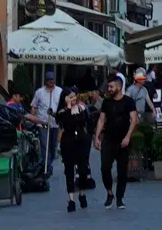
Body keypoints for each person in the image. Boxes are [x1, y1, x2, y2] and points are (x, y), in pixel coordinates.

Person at [95, 74, 136, 208]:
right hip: (108, 139)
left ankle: (120, 198)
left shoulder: (128, 101)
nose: (109, 89)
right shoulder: (106, 102)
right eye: (108, 87)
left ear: (119, 87)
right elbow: (101, 119)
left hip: (123, 140)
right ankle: (109, 192)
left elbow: (133, 120)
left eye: (111, 86)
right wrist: (96, 136)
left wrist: (128, 136)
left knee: (122, 171)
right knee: (105, 168)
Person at [56, 85, 95, 212]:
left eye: (74, 96)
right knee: (69, 171)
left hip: (81, 141)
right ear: (65, 98)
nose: (73, 99)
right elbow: (65, 122)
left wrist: (89, 136)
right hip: (68, 142)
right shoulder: (62, 111)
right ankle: (71, 199)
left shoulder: (82, 108)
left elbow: (89, 122)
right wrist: (68, 107)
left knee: (83, 170)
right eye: (70, 97)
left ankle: (82, 193)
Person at [30, 70, 62, 173]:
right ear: (46, 81)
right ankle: (47, 167)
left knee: (53, 147)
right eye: (49, 80)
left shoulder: (60, 91)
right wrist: (33, 118)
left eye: (52, 80)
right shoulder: (39, 92)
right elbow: (33, 107)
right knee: (44, 146)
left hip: (55, 124)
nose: (51, 82)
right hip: (42, 123)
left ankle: (49, 163)